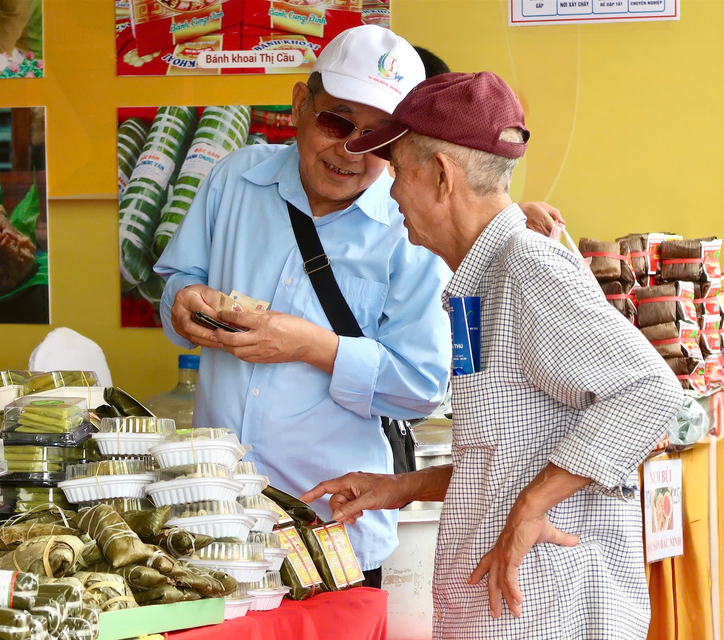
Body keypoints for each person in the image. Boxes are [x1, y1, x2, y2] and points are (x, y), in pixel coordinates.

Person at [154, 26, 560, 586]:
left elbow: (421, 386)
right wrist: (181, 303)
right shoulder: (233, 181)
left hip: (330, 527)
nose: (350, 151)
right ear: (301, 104)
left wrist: (312, 347)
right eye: (337, 122)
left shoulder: (412, 227)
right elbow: (180, 283)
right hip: (213, 522)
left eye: (377, 140)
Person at [302, 72, 682, 638]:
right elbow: (505, 457)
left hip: (547, 611)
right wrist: (398, 488)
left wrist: (532, 507)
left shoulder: (528, 268)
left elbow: (650, 392)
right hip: (499, 609)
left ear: (439, 176)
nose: (393, 192)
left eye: (399, 172)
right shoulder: (479, 283)